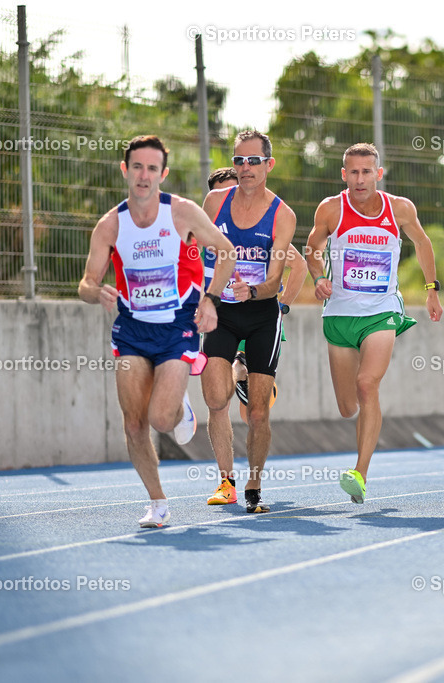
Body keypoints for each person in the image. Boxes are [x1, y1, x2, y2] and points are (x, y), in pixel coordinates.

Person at [78, 135, 235, 528]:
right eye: (137, 167)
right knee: (134, 422)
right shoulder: (111, 225)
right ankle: (157, 502)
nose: (144, 176)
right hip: (131, 330)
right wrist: (96, 292)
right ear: (125, 170)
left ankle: (177, 405)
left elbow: (226, 251)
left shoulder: (181, 213)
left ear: (162, 173)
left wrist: (211, 300)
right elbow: (84, 283)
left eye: (152, 168)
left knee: (162, 420)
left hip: (177, 327)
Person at [305, 142, 443, 504]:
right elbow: (312, 248)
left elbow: (424, 242)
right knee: (347, 406)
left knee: (368, 384)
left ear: (378, 173)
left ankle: (360, 473)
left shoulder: (399, 209)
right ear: (344, 174)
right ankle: (358, 451)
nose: (360, 178)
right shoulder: (331, 209)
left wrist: (431, 289)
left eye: (367, 171)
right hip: (339, 314)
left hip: (382, 311)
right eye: (354, 172)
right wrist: (318, 276)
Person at [200, 131, 297, 513]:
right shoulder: (213, 202)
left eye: (253, 161)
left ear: (269, 165)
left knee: (257, 412)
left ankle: (253, 486)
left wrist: (253, 292)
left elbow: (275, 280)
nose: (244, 168)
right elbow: (194, 251)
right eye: (239, 160)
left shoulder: (282, 214)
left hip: (260, 314)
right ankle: (226, 480)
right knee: (215, 399)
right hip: (221, 311)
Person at [207, 166, 306, 421]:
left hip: (259, 314)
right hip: (222, 314)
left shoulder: (267, 226)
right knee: (222, 398)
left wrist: (282, 307)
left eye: (233, 189)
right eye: (223, 193)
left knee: (252, 408)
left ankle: (250, 452)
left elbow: (300, 266)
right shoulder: (209, 229)